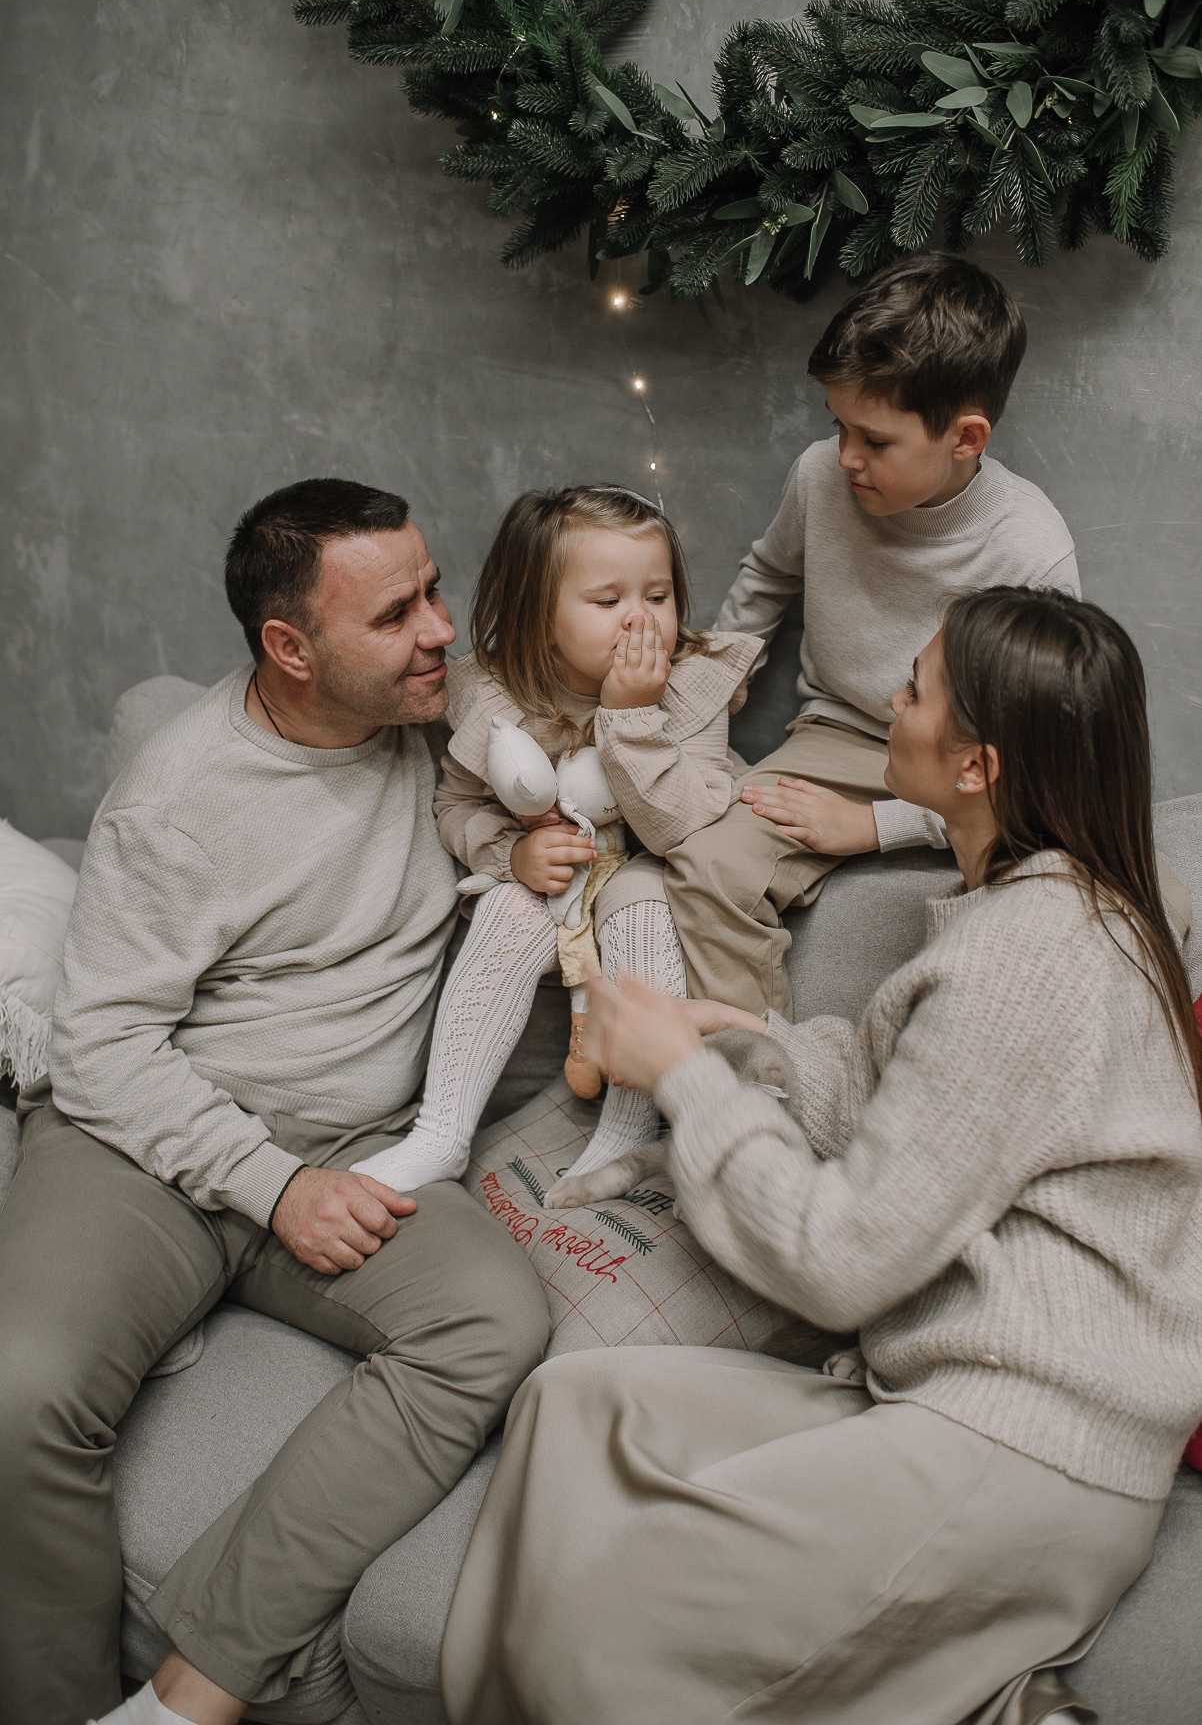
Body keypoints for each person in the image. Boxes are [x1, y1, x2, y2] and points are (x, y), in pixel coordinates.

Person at [440, 586, 1202, 1725]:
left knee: (599, 1626)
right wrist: (740, 1041)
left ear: (977, 766)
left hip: (1023, 1447)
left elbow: (838, 1260)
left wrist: (682, 1081)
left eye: (913, 690)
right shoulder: (1035, 911)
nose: (886, 706)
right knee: (574, 1405)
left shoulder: (1032, 953)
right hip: (948, 1396)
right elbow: (920, 1103)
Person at [0, 479, 550, 1725]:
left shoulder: (441, 717)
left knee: (488, 1326)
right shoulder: (178, 801)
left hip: (365, 1144)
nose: (438, 632)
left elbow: (590, 691)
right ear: (288, 650)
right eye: (396, 613)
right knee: (18, 1393)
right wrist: (273, 1188)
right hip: (155, 1139)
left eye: (431, 589)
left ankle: (183, 1695)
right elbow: (102, 1046)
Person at [664, 251, 1085, 1018]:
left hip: (975, 772)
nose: (847, 456)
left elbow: (1037, 758)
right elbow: (766, 580)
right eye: (838, 426)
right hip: (837, 736)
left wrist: (874, 827)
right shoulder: (821, 475)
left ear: (965, 438)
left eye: (877, 440)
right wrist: (701, 704)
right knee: (704, 859)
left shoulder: (1029, 546)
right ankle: (757, 1084)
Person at [352, 484, 759, 1201]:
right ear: (541, 618)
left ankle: (627, 1132)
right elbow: (454, 805)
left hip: (647, 872)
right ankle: (442, 1133)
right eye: (608, 602)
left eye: (658, 596)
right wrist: (507, 854)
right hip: (551, 887)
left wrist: (631, 716)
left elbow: (677, 827)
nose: (640, 620)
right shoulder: (498, 692)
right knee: (510, 905)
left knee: (644, 901)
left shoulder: (692, 688)